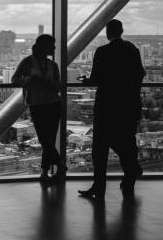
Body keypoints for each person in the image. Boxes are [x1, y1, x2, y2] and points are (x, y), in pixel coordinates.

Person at [77, 19, 146, 199]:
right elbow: (140, 74)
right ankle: (130, 176)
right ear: (122, 31)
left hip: (106, 106)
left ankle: (99, 186)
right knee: (127, 142)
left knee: (100, 148)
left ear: (108, 33)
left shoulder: (103, 51)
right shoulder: (132, 50)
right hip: (128, 105)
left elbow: (96, 79)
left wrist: (86, 81)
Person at [11, 34, 64, 183]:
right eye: (52, 45)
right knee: (45, 139)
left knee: (48, 140)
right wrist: (30, 80)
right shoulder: (28, 63)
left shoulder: (52, 65)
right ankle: (58, 165)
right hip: (39, 104)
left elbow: (58, 86)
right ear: (44, 47)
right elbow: (15, 80)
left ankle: (45, 172)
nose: (54, 48)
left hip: (51, 104)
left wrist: (46, 83)